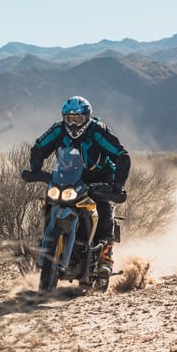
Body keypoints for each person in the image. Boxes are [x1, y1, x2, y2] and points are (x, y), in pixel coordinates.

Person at [29, 95, 131, 277]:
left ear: (87, 117)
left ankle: (105, 257)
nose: (74, 123)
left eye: (78, 118)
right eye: (69, 118)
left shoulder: (97, 131)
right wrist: (35, 169)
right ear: (64, 118)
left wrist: (116, 185)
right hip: (67, 178)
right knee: (49, 203)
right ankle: (47, 246)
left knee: (103, 208)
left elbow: (121, 155)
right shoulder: (58, 130)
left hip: (99, 177)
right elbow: (39, 147)